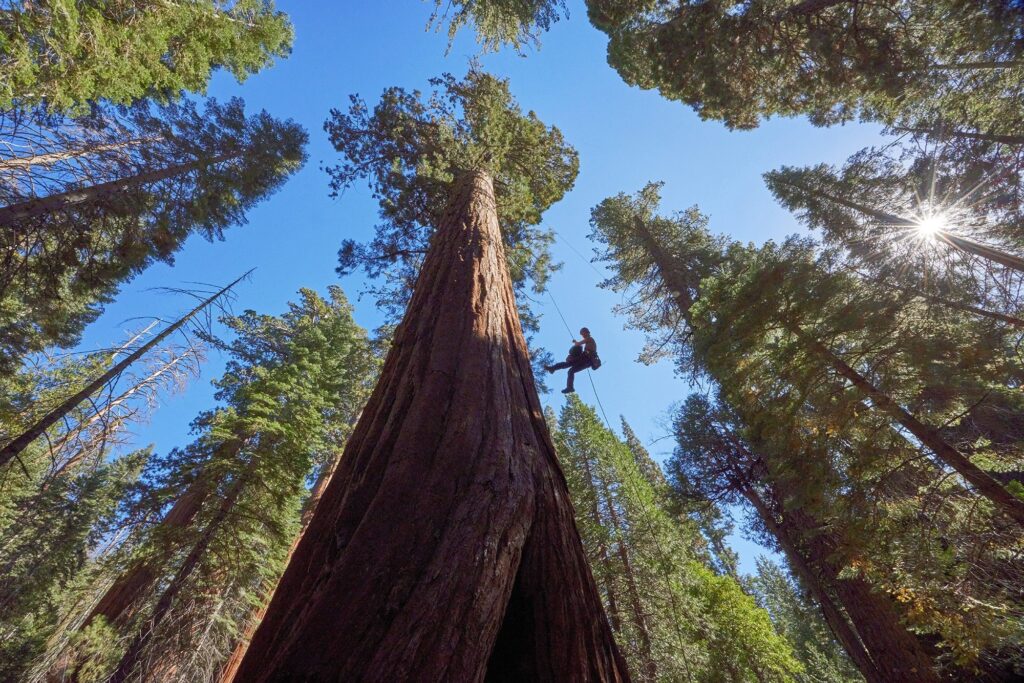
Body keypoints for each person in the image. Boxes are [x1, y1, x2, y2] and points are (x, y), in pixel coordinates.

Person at [546, 327, 598, 394]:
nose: (583, 336)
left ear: (586, 332)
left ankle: (553, 368)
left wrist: (575, 342)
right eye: (582, 334)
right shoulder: (589, 340)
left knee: (568, 364)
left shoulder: (590, 338)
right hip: (587, 360)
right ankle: (570, 387)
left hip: (586, 358)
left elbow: (578, 344)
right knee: (571, 371)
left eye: (583, 334)